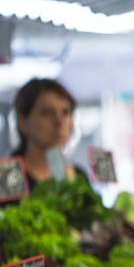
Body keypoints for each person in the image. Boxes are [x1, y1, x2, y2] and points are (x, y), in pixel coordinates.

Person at [2, 78, 86, 206]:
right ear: (23, 122)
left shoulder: (78, 177)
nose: (59, 122)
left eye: (65, 112)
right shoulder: (9, 174)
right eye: (47, 113)